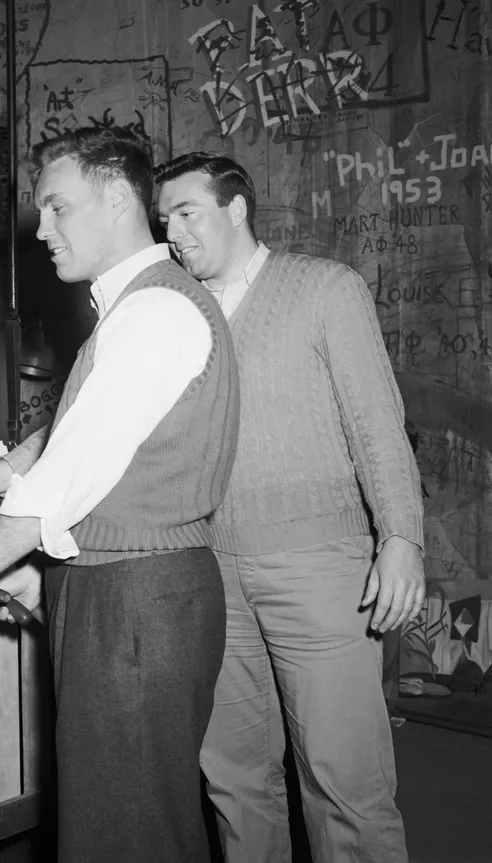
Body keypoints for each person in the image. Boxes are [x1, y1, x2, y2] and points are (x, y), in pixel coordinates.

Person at [0, 126, 240, 861]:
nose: (42, 228)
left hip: (136, 602)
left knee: (128, 832)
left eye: (57, 207)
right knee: (132, 822)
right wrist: (2, 473)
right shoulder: (134, 307)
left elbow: (72, 471)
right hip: (130, 593)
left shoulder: (153, 313)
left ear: (117, 197)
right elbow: (78, 431)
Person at [154, 151, 426, 863]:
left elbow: (376, 420)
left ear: (236, 207)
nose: (174, 233)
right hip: (210, 570)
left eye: (187, 213)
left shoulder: (323, 288)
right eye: (165, 221)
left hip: (319, 566)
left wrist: (402, 535)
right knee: (236, 782)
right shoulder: (179, 313)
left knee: (345, 784)